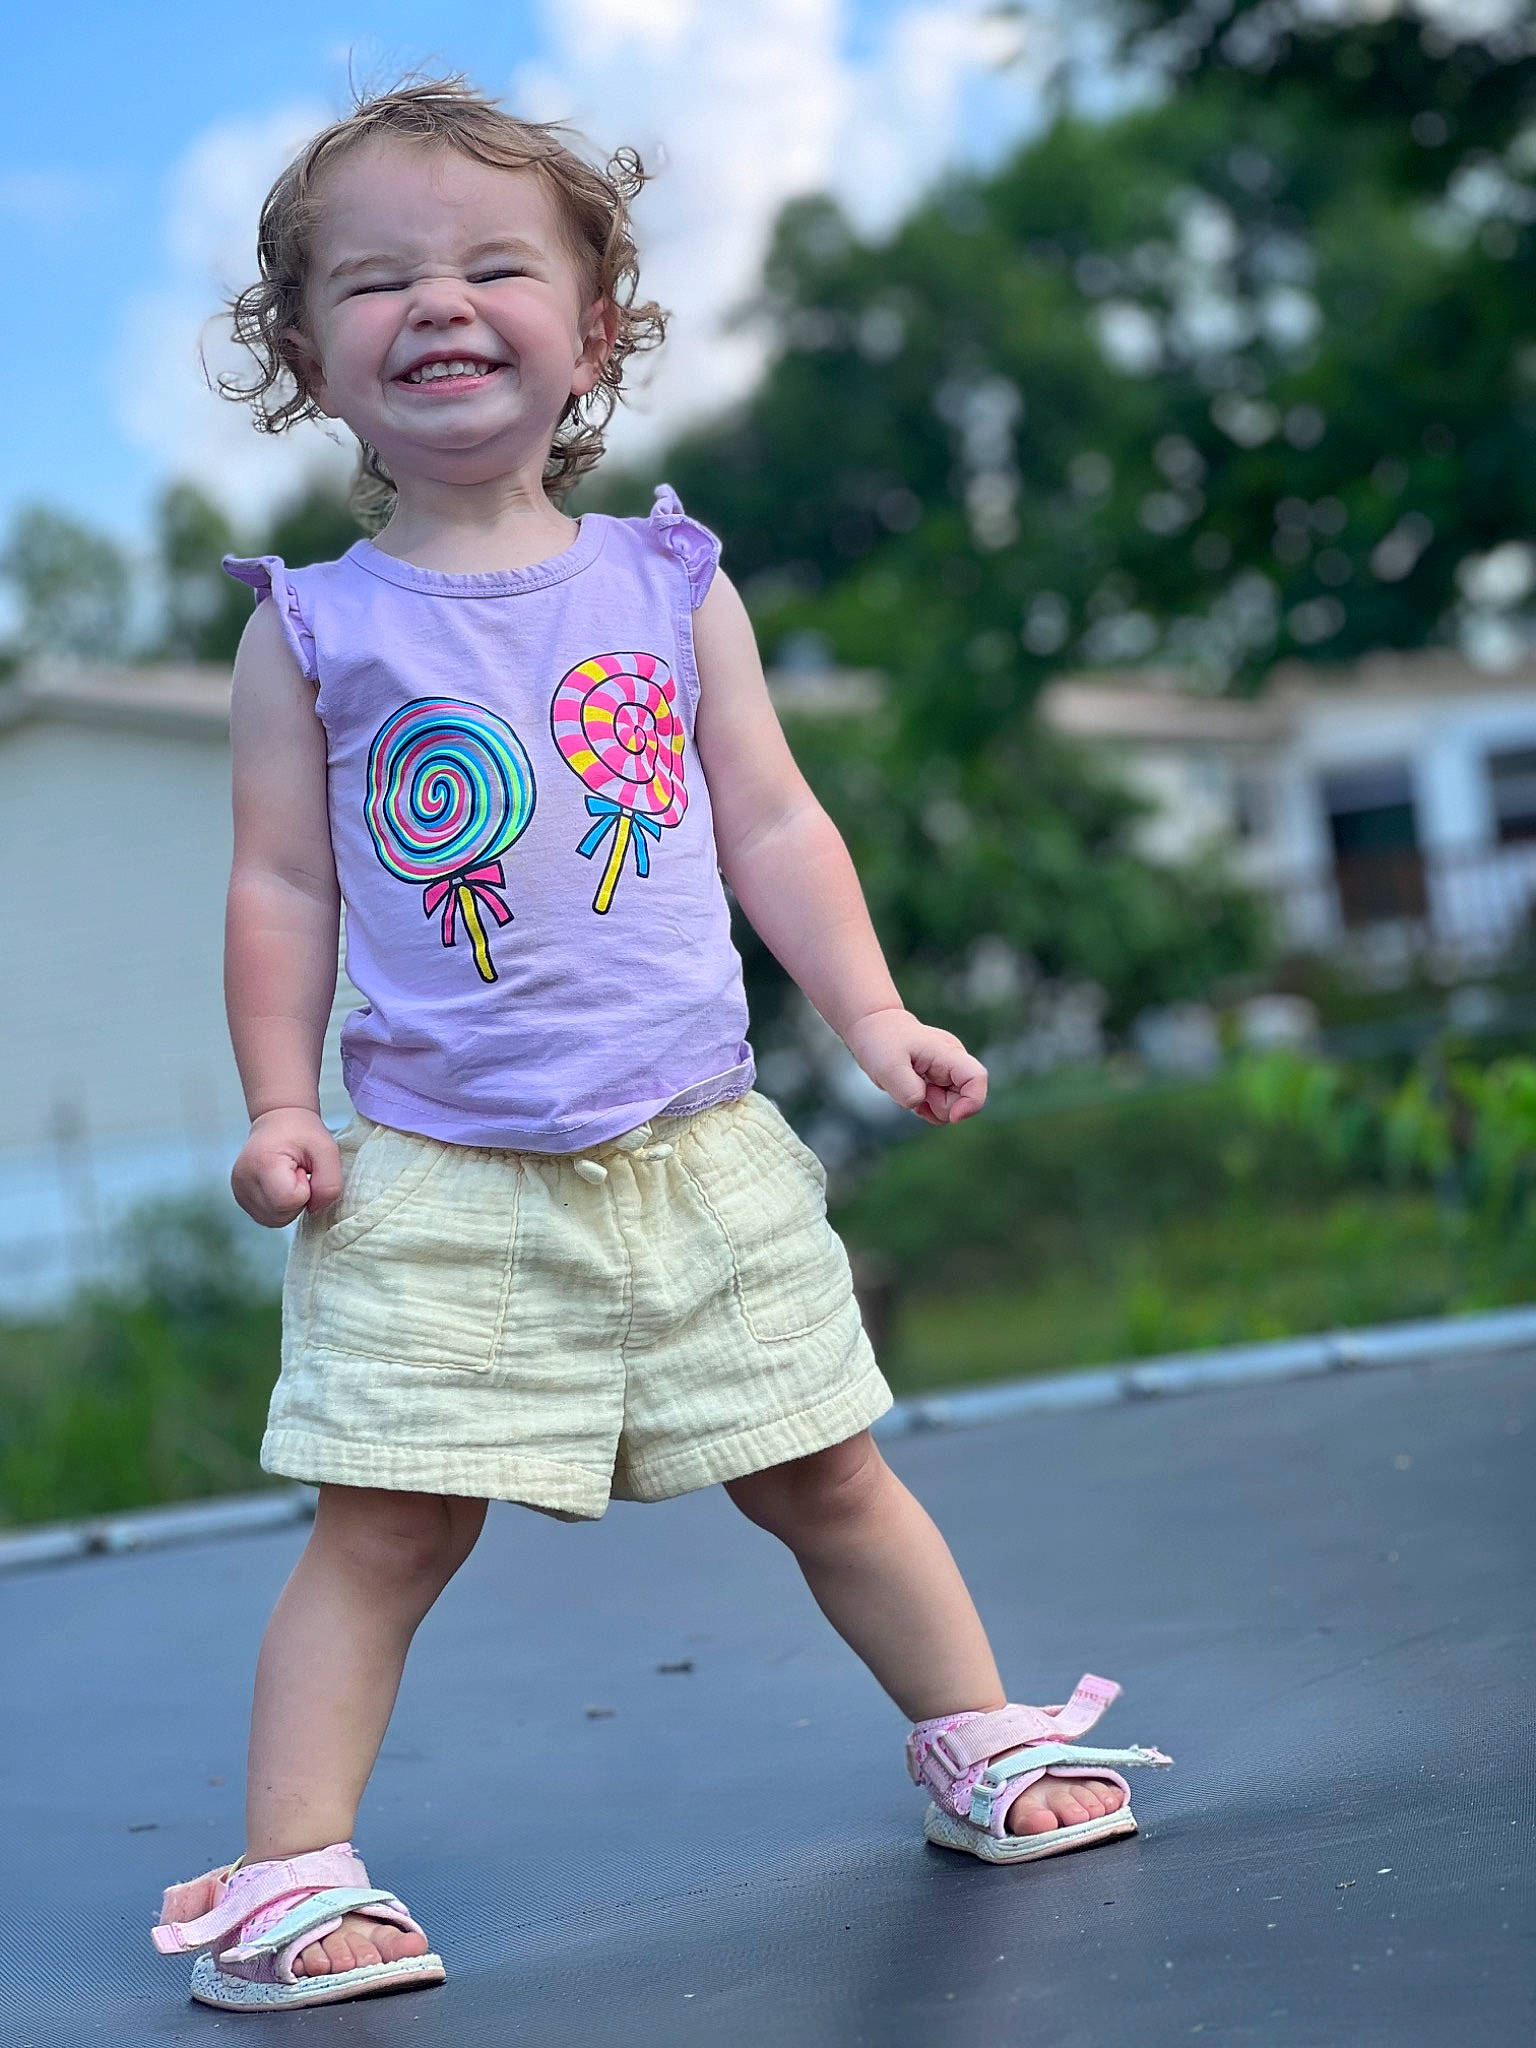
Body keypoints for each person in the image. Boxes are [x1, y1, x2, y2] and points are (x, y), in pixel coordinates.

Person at [150, 77, 1170, 2013]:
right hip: (438, 1172)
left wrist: (871, 1013)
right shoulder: (311, 631)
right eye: (376, 281)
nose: (436, 302)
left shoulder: (669, 582)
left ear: (595, 328)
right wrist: (281, 1101)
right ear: (305, 358)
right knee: (383, 1530)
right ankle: (294, 1873)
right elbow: (280, 890)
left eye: (493, 265)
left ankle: (978, 1735)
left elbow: (774, 822)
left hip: (698, 1143)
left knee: (831, 1472)